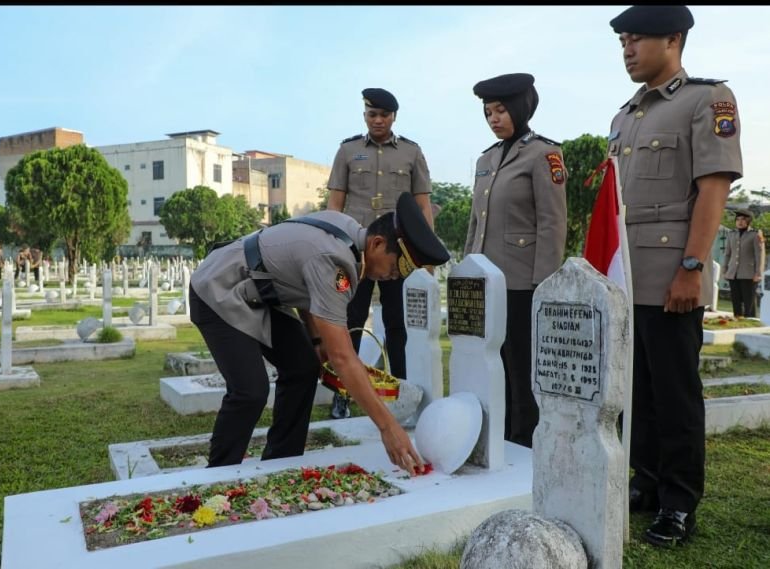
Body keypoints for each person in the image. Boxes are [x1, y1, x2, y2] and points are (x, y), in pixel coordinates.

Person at [189, 192, 449, 475]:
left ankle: (281, 463)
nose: (395, 277)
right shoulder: (336, 262)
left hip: (257, 291)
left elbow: (303, 287)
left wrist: (316, 340)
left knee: (304, 366)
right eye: (398, 268)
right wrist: (389, 427)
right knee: (251, 390)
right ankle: (217, 475)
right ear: (377, 243)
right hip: (217, 288)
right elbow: (342, 356)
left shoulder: (345, 229)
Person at [608, 5, 743, 547]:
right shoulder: (624, 116)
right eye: (623, 42)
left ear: (674, 39)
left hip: (671, 276)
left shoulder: (706, 99)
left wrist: (691, 268)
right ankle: (647, 480)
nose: (627, 49)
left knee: (675, 393)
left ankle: (679, 502)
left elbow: (713, 188)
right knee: (636, 390)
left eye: (637, 39)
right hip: (627, 277)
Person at [464, 73, 568, 449]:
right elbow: (476, 223)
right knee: (492, 363)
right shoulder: (485, 159)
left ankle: (525, 439)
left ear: (521, 108)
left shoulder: (544, 153)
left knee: (522, 365)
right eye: (488, 112)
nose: (494, 119)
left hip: (524, 281)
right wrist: (467, 270)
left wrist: (545, 280)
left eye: (501, 110)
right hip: (487, 281)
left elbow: (553, 222)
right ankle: (500, 434)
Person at [325, 87, 435, 419]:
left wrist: (426, 256)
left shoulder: (411, 152)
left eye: (384, 115)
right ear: (365, 116)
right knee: (347, 321)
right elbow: (335, 203)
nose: (378, 120)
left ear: (393, 117)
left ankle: (399, 389)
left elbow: (423, 204)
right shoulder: (347, 151)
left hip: (396, 254)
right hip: (353, 254)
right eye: (372, 114)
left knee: (397, 323)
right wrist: (333, 246)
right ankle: (341, 393)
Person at [723, 209, 765, 318]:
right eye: (738, 219)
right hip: (733, 273)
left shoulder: (755, 234)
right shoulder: (731, 234)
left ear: (749, 221)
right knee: (736, 301)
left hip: (749, 274)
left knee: (749, 302)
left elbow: (759, 255)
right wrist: (725, 270)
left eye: (743, 219)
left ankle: (750, 323)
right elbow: (727, 254)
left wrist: (758, 273)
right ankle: (737, 322)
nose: (740, 222)